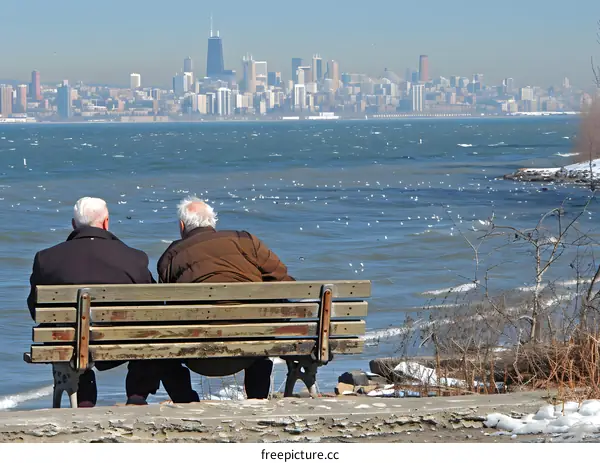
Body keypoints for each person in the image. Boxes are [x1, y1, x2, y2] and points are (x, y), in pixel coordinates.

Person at [27, 197, 197, 406]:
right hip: (121, 341)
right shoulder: (134, 258)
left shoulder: (46, 258)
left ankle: (84, 399)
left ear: (74, 225)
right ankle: (136, 396)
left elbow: (35, 309)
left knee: (74, 339)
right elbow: (152, 309)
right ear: (106, 222)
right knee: (146, 330)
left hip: (69, 343)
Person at [157, 196, 295, 400]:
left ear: (182, 226)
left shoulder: (170, 257)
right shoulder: (246, 241)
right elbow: (286, 284)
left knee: (163, 355)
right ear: (213, 222)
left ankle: (187, 401)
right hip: (251, 349)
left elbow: (166, 306)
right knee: (261, 338)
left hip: (196, 355)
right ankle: (257, 400)